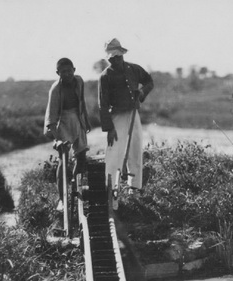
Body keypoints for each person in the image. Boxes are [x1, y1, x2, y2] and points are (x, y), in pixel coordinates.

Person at [98, 38, 154, 195]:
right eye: (112, 58)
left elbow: (149, 81)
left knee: (135, 149)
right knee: (114, 153)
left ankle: (134, 188)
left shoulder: (134, 69)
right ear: (108, 58)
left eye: (117, 56)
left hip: (133, 114)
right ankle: (111, 191)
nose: (115, 60)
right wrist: (109, 128)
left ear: (122, 54)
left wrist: (141, 92)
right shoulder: (105, 76)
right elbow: (102, 104)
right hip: (117, 117)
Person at [44, 57, 91, 211]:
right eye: (63, 72)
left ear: (74, 70)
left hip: (78, 119)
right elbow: (51, 119)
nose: (67, 74)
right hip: (62, 121)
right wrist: (58, 140)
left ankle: (76, 189)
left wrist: (87, 121)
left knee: (82, 157)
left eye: (69, 71)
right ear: (58, 73)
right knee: (64, 159)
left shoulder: (79, 81)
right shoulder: (56, 89)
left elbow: (82, 102)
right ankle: (62, 199)